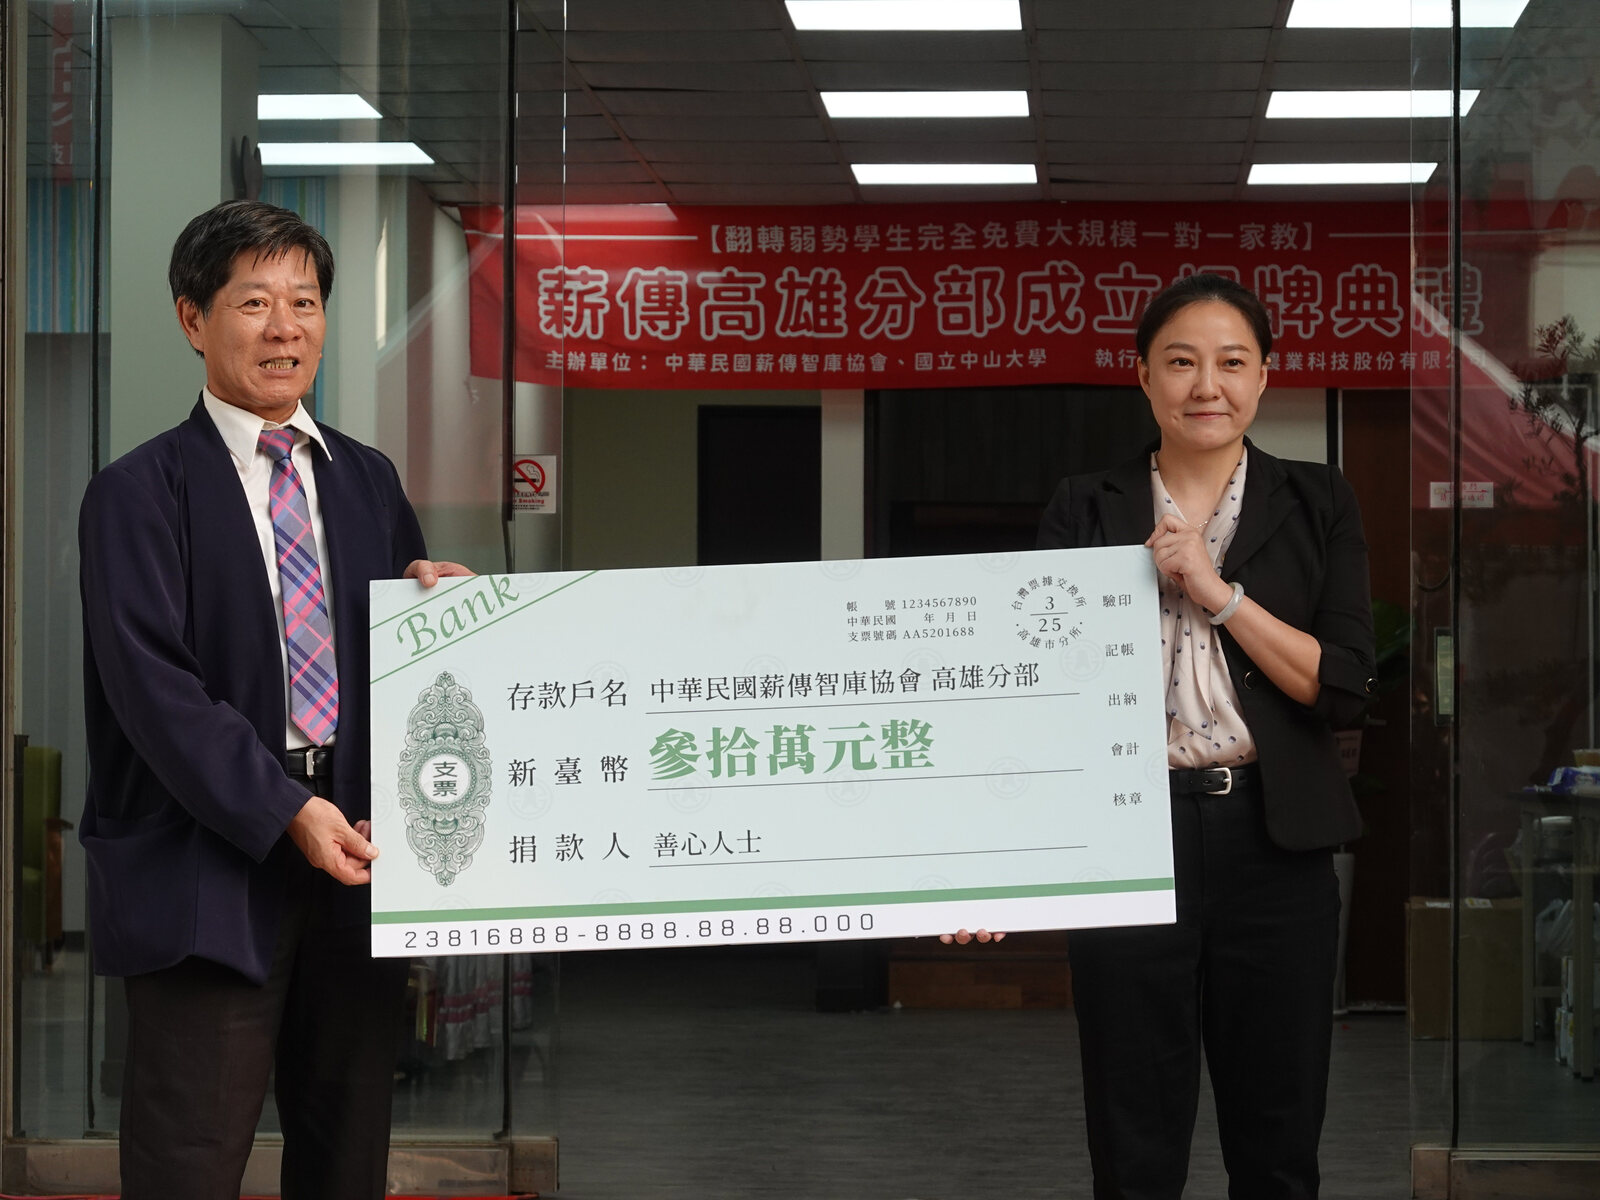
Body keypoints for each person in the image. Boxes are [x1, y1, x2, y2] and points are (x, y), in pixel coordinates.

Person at [77, 200, 471, 1200]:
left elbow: (397, 662)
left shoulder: (368, 482)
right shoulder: (138, 493)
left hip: (356, 859)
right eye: (253, 301)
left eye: (304, 301)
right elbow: (152, 690)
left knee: (346, 1152)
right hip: (205, 860)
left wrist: (446, 615)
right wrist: (286, 810)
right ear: (192, 318)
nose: (284, 326)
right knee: (188, 1159)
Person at [1035, 273, 1376, 1199]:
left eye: (1232, 362)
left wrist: (1218, 593)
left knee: (1277, 1134)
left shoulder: (1318, 501)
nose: (1206, 386)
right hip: (1129, 836)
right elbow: (1038, 695)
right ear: (1141, 378)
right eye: (1180, 362)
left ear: (1266, 378)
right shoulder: (1085, 505)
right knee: (1133, 1134)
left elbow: (1340, 684)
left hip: (1276, 839)